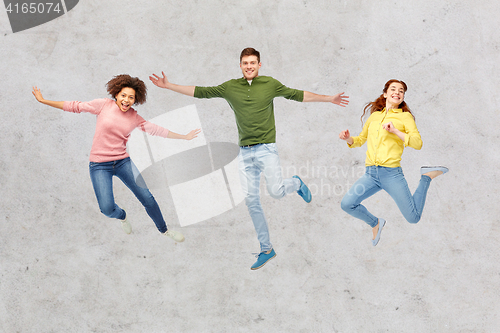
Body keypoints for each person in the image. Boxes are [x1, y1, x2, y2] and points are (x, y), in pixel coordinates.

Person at [150, 47, 349, 270]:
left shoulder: (270, 84)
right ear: (240, 65)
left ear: (259, 65)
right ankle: (267, 249)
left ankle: (296, 183)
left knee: (276, 191)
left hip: (266, 150)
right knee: (252, 201)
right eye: (245, 63)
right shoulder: (230, 87)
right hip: (245, 153)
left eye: (253, 63)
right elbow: (202, 91)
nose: (249, 66)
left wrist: (329, 98)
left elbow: (298, 95)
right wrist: (169, 86)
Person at [32, 74, 201, 242]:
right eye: (123, 95)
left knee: (147, 198)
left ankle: (164, 231)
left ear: (136, 100)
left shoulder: (134, 117)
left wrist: (184, 137)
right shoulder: (103, 105)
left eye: (131, 97)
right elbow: (75, 106)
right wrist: (43, 100)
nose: (126, 100)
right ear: (116, 94)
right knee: (106, 209)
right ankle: (122, 216)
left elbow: (156, 129)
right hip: (99, 166)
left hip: (122, 162)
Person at [339, 79, 448, 246]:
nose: (397, 92)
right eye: (393, 89)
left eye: (401, 91)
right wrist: (349, 139)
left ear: (402, 97)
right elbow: (361, 139)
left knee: (413, 218)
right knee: (347, 204)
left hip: (391, 175)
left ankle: (426, 177)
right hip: (371, 174)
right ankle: (375, 223)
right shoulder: (374, 117)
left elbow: (418, 143)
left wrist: (395, 130)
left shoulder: (405, 117)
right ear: (385, 94)